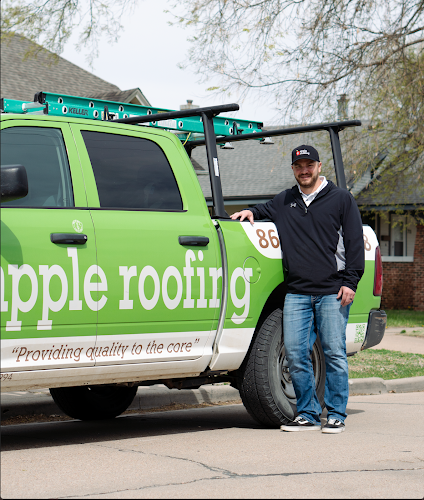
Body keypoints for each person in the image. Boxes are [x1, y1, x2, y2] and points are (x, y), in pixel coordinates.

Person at [231, 145, 364, 433]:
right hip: (297, 293)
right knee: (295, 352)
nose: (304, 170)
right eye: (298, 166)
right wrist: (248, 212)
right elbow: (261, 210)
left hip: (332, 291)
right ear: (293, 169)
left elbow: (354, 243)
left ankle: (337, 414)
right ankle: (307, 413)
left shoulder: (341, 199)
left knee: (333, 352)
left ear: (318, 166)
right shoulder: (285, 200)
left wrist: (350, 283)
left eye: (309, 165)